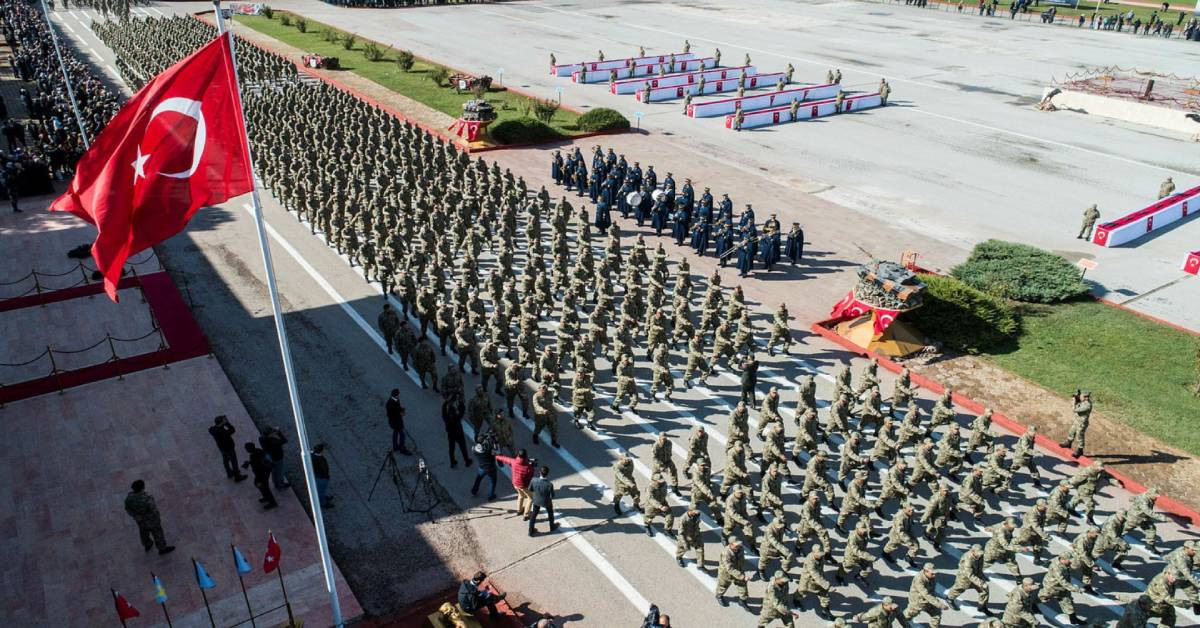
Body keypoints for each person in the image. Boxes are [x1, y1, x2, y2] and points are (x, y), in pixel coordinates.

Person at [123, 480, 175, 554]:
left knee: (143, 533)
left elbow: (127, 508)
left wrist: (135, 516)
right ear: (142, 487)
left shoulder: (129, 498)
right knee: (157, 533)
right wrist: (157, 518)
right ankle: (162, 548)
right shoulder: (147, 498)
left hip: (140, 520)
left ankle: (147, 545)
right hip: (151, 520)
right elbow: (153, 510)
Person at [495, 448, 536, 518]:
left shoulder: (513, 461)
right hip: (524, 486)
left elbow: (505, 459)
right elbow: (531, 476)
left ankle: (519, 510)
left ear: (518, 455)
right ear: (526, 456)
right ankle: (526, 514)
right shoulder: (528, 467)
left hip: (515, 484)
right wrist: (532, 466)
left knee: (520, 495)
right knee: (531, 498)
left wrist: (496, 456)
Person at [208, 415, 246, 482]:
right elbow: (232, 430)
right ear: (221, 422)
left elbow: (214, 429)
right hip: (229, 448)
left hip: (222, 448)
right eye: (223, 420)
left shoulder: (213, 429)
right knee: (234, 462)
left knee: (225, 460)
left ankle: (229, 473)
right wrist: (227, 423)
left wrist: (223, 423)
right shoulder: (223, 432)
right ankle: (237, 476)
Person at [244, 442, 278, 509]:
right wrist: (249, 462)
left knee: (264, 487)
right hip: (261, 474)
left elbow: (260, 464)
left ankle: (272, 503)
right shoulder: (257, 451)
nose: (245, 449)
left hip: (262, 474)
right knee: (260, 486)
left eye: (246, 448)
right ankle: (266, 497)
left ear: (249, 449)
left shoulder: (255, 455)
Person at [527, 465, 558, 535]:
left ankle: (530, 530)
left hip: (536, 500)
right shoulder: (549, 484)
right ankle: (552, 526)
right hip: (546, 501)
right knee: (550, 513)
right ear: (547, 474)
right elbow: (552, 495)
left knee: (533, 515)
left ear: (539, 472)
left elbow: (530, 489)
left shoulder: (533, 480)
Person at [442, 395, 471, 468]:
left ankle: (452, 462)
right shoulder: (457, 417)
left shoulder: (446, 417)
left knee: (451, 449)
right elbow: (462, 410)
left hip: (451, 434)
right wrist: (460, 402)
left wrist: (446, 402)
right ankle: (467, 461)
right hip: (459, 434)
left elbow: (443, 409)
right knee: (463, 448)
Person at [470, 433, 500, 501]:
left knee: (478, 479)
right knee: (492, 482)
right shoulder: (488, 451)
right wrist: (496, 442)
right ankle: (490, 496)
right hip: (491, 468)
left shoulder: (474, 449)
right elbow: (497, 452)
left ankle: (474, 490)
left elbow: (476, 448)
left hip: (482, 468)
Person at [387, 389, 412, 455]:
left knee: (395, 433)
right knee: (402, 435)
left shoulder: (395, 400)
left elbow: (398, 407)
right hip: (396, 422)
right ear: (396, 395)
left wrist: (401, 410)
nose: (399, 396)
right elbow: (391, 414)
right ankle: (402, 449)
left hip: (396, 421)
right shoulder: (390, 403)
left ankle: (395, 446)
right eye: (398, 394)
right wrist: (400, 413)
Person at [311, 443, 333, 508]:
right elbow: (325, 470)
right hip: (321, 477)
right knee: (321, 491)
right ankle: (323, 503)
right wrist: (327, 477)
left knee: (320, 490)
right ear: (322, 451)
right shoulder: (321, 459)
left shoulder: (312, 455)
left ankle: (323, 498)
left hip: (316, 475)